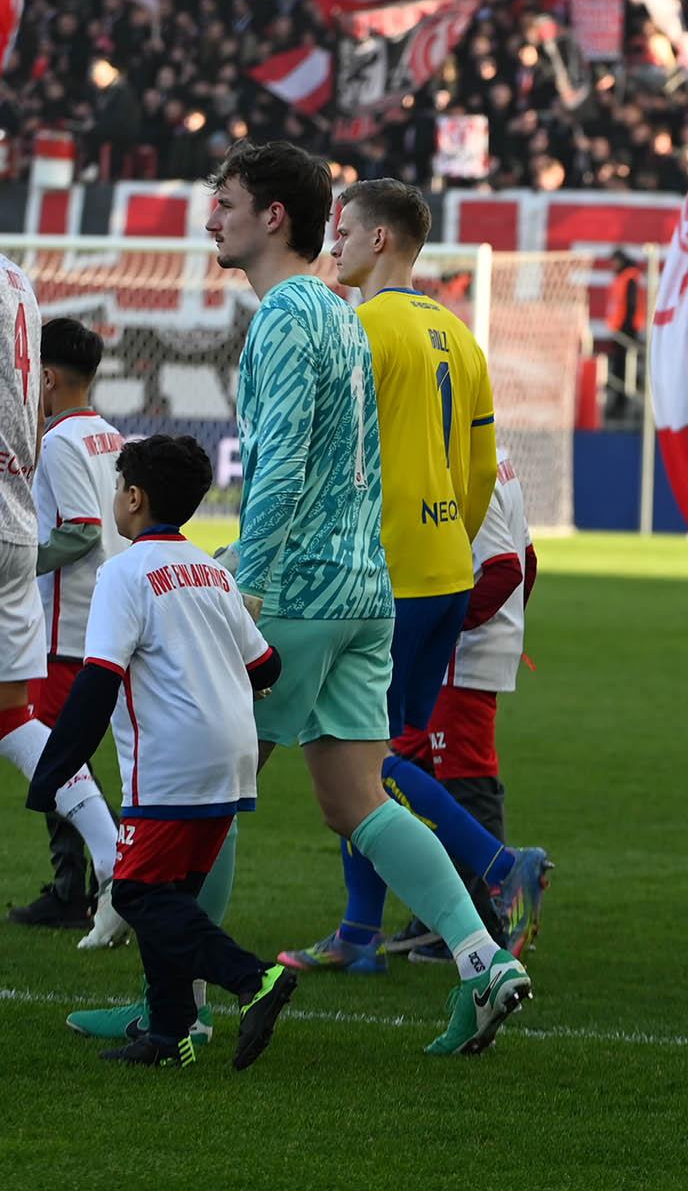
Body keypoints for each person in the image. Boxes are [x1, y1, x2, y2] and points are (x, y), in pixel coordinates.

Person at [67, 141, 530, 1056]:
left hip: (296, 594)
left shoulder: (284, 316)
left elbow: (277, 469)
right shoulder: (339, 311)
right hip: (366, 592)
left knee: (203, 790)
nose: (212, 218)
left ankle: (180, 1010)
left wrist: (243, 587)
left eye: (226, 202)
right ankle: (483, 960)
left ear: (273, 217)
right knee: (360, 800)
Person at [277, 176, 549, 974]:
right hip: (442, 572)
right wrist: (445, 540)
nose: (334, 245)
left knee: (358, 760)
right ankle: (360, 933)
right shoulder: (459, 335)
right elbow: (479, 471)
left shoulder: (359, 328)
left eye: (345, 231)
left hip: (379, 574)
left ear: (380, 239)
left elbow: (324, 456)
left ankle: (500, 866)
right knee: (378, 751)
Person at [29, 435, 298, 1069]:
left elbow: (97, 684)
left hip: (173, 763)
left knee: (138, 895)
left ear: (134, 498)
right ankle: (169, 1034)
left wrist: (52, 773)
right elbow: (267, 665)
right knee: (168, 896)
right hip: (232, 759)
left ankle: (255, 978)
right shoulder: (212, 571)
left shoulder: (122, 574)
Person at [0, 259, 123, 952]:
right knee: (34, 734)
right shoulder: (107, 434)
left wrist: (28, 567)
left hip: (66, 626)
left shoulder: (62, 442)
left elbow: (80, 530)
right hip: (91, 618)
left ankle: (75, 885)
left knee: (55, 748)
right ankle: (93, 873)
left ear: (45, 378)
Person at [392, 448, 542, 962]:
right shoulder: (496, 458)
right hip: (472, 649)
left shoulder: (456, 462)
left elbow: (503, 569)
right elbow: (527, 561)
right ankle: (439, 914)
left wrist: (445, 629)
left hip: (461, 656)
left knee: (463, 781)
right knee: (406, 768)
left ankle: (485, 917)